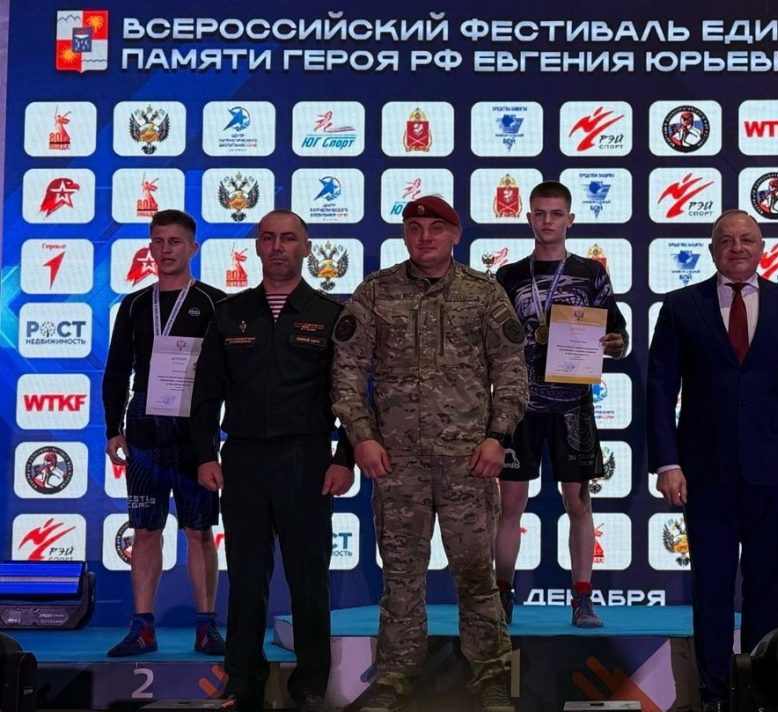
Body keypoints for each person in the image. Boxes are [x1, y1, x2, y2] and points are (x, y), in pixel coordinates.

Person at [330, 196, 528, 712]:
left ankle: (491, 675)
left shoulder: (483, 293)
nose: (424, 237)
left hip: (469, 462)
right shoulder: (376, 292)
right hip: (397, 464)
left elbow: (511, 369)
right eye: (414, 228)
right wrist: (361, 437)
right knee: (400, 578)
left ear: (455, 235)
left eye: (436, 228)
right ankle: (395, 676)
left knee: (477, 575)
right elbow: (347, 370)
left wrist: (498, 436)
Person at [647, 209, 778, 712]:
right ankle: (713, 693)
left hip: (774, 469)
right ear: (712, 250)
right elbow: (660, 391)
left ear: (762, 247)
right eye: (726, 240)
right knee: (711, 585)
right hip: (704, 472)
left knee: (768, 586)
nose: (737, 248)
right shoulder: (681, 306)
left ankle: (759, 690)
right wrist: (667, 463)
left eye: (747, 239)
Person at [190, 209, 354, 712]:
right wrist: (205, 454)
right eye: (268, 238)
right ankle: (243, 680)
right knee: (245, 575)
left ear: (307, 248)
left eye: (288, 238)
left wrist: (345, 457)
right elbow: (205, 392)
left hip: (307, 459)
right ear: (257, 247)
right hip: (242, 459)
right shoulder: (229, 313)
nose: (278, 247)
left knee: (309, 577)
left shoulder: (331, 314)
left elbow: (352, 394)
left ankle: (310, 684)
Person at [493, 180, 628, 629]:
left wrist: (616, 342)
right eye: (539, 213)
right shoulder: (508, 277)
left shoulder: (591, 274)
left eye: (555, 214)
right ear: (528, 218)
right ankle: (501, 597)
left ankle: (583, 599)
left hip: (573, 405)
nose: (547, 221)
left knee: (579, 503)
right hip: (520, 406)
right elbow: (490, 341)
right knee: (510, 505)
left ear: (570, 219)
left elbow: (618, 333)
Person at [101, 209, 225, 658]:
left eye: (175, 241)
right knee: (145, 529)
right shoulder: (135, 304)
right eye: (158, 241)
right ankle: (142, 627)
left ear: (193, 248)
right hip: (144, 431)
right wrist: (113, 429)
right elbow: (117, 370)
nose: (166, 249)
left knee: (199, 530)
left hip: (194, 432)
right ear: (150, 247)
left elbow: (229, 372)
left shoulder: (214, 302)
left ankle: (206, 627)